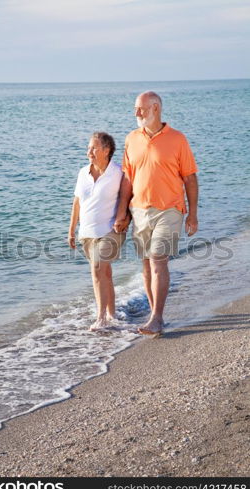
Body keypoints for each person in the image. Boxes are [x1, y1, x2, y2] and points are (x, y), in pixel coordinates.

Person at [114, 91, 198, 338]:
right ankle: (154, 313)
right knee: (146, 264)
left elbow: (190, 178)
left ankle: (157, 318)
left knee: (158, 258)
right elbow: (127, 179)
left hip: (170, 209)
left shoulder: (177, 139)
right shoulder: (132, 139)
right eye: (136, 109)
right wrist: (122, 213)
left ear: (155, 109)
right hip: (139, 211)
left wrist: (192, 215)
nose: (136, 113)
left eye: (140, 109)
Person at [68, 132, 129, 331]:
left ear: (106, 150)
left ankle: (101, 317)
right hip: (87, 232)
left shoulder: (118, 173)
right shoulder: (83, 172)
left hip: (111, 230)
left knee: (98, 268)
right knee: (104, 273)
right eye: (88, 148)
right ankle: (112, 315)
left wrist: (126, 219)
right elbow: (77, 203)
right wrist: (71, 231)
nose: (89, 152)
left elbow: (128, 198)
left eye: (93, 148)